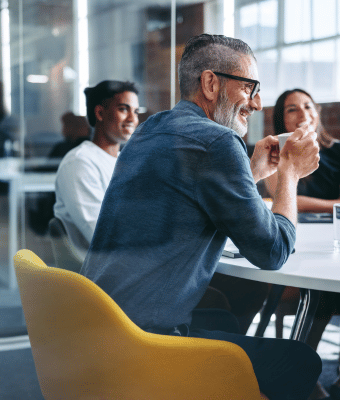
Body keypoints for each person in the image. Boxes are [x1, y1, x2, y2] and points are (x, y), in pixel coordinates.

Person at [81, 34, 322, 399]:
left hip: (101, 329)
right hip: (143, 344)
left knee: (222, 316)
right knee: (301, 361)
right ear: (211, 83)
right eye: (250, 87)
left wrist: (251, 171)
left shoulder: (151, 128)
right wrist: (289, 173)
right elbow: (273, 252)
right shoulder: (218, 143)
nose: (257, 103)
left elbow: (189, 196)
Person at [265, 88, 340, 400]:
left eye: (307, 106)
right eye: (291, 109)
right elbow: (285, 198)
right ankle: (305, 372)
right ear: (281, 118)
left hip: (337, 240)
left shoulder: (338, 150)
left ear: (317, 113)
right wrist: (337, 204)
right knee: (320, 286)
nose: (302, 114)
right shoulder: (277, 150)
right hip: (296, 240)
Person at [53, 80, 140, 259]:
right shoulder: (80, 163)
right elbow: (102, 236)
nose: (132, 119)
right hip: (103, 271)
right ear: (100, 113)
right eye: (124, 109)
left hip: (127, 261)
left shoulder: (122, 162)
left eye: (136, 111)